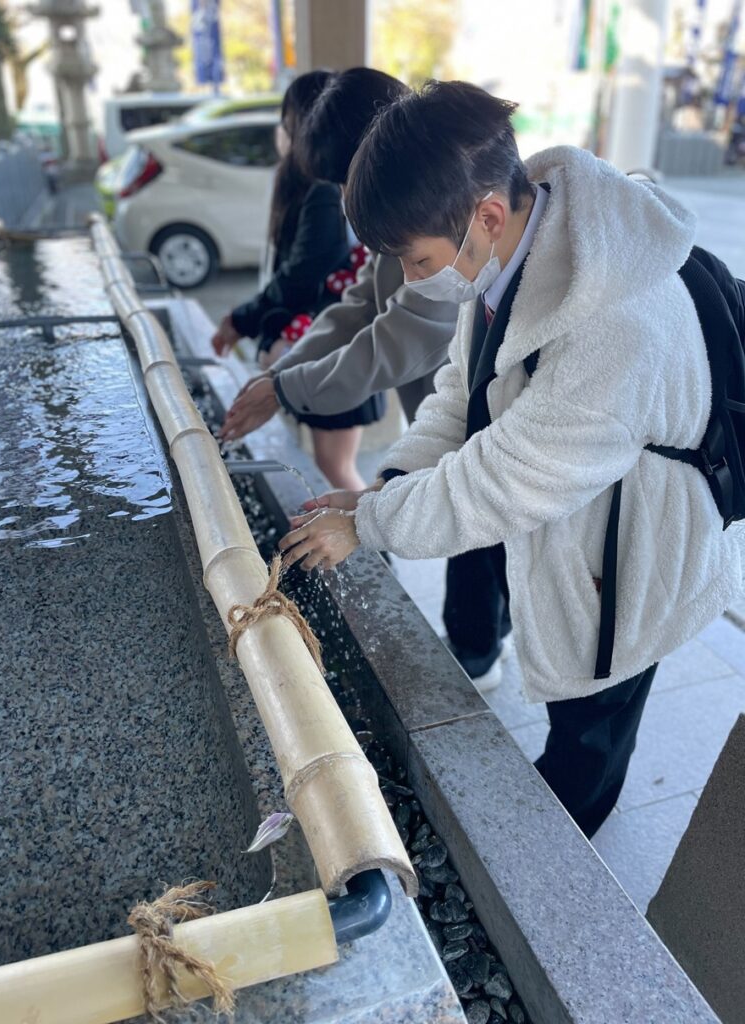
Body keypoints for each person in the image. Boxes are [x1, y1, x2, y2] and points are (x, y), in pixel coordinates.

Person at [278, 81, 744, 837]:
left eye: (417, 259)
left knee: (591, 724)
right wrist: (387, 484)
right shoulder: (517, 251)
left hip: (640, 546)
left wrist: (369, 522)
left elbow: (504, 477)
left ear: (488, 216)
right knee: (569, 681)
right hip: (586, 508)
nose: (412, 279)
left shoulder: (614, 324)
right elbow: (463, 398)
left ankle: (559, 861)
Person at [218, 67, 511, 690]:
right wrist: (281, 375)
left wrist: (286, 389)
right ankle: (485, 637)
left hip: (482, 430)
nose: (347, 193)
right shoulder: (407, 228)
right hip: (451, 416)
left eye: (346, 177)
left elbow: (393, 339)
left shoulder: (439, 228)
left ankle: (479, 653)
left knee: (478, 535)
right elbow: (360, 308)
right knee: (462, 516)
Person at [211, 70, 383, 491]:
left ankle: (369, 531)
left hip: (332, 350)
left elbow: (304, 276)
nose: (280, 133)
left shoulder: (322, 190)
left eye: (285, 123)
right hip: (324, 345)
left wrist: (250, 326)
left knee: (336, 465)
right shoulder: (320, 189)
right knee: (332, 463)